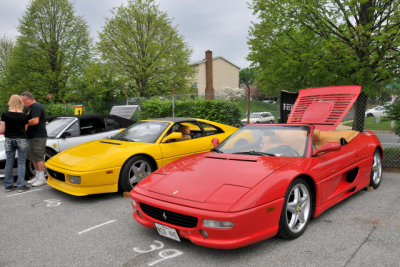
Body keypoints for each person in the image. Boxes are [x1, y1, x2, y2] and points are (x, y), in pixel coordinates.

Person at [0, 95, 30, 192]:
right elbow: (25, 129)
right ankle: (21, 186)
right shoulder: (24, 115)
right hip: (21, 139)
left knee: (9, 162)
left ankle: (8, 186)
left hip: (9, 139)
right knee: (21, 162)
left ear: (10, 102)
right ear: (21, 102)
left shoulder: (5, 114)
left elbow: (2, 129)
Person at [21, 92, 47, 187]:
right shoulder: (31, 108)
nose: (23, 103)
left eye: (23, 101)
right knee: (33, 157)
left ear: (29, 99)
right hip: (32, 136)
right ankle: (37, 176)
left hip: (38, 136)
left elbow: (35, 121)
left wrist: (24, 122)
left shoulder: (36, 106)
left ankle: (42, 178)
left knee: (38, 156)